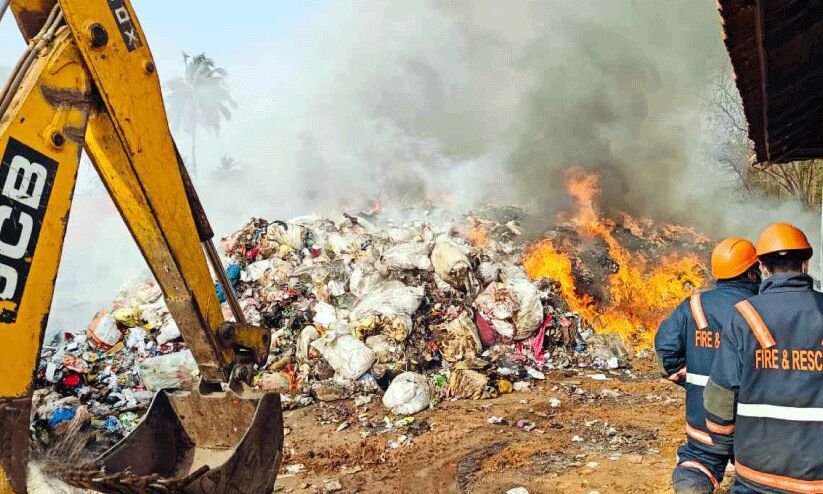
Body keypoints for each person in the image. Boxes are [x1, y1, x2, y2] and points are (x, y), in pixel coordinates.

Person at [705, 223, 821, 494]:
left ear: (763, 268)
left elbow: (721, 394)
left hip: (758, 474)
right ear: (805, 263)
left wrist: (724, 447)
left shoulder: (745, 316)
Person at [656, 237, 760, 493]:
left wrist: (688, 378)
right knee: (756, 476)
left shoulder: (694, 306)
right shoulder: (762, 308)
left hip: (703, 420)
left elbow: (665, 352)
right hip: (751, 425)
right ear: (751, 272)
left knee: (698, 463)